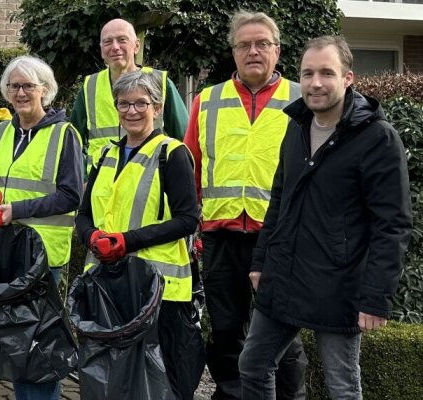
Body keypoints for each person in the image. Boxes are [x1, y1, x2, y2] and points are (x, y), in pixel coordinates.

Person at [239, 35, 411, 400]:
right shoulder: (296, 126)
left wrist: (375, 298)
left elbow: (392, 225)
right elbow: (280, 198)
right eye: (308, 73)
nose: (316, 83)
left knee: (342, 387)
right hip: (283, 275)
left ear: (348, 78)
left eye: (326, 73)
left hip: (339, 283)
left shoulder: (378, 138)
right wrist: (260, 260)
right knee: (253, 366)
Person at [183, 11, 307, 399]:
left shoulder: (303, 98)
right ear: (233, 52)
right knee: (225, 331)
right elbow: (191, 168)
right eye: (244, 45)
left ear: (277, 50)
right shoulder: (207, 101)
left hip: (282, 238)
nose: (253, 51)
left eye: (261, 44)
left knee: (283, 331)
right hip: (221, 238)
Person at [75, 71, 204, 399]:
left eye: (141, 104)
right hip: (110, 284)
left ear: (158, 108)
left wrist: (126, 241)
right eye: (124, 104)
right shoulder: (106, 155)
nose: (132, 111)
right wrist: (92, 238)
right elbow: (85, 214)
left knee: (160, 380)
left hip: (157, 288)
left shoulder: (170, 154)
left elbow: (187, 219)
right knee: (116, 377)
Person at [0, 55, 83, 400]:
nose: (21, 92)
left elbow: (71, 195)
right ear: (6, 92)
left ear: (45, 90)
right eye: (14, 86)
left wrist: (17, 210)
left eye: (28, 85)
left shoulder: (63, 134)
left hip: (43, 255)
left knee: (40, 346)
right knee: (17, 342)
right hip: (7, 252)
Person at [70, 18, 189, 167]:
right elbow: (72, 144)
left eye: (122, 40)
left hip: (150, 181)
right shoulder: (89, 87)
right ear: (101, 51)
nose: (115, 47)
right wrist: (84, 179)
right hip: (101, 183)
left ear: (136, 46)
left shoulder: (160, 82)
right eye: (107, 42)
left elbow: (185, 138)